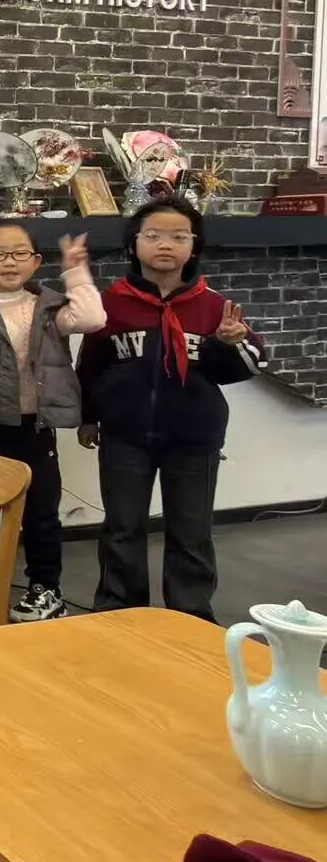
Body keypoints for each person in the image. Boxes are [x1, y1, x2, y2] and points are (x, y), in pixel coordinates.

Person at [76, 197, 264, 622]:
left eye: (179, 237)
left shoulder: (214, 305)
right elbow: (89, 366)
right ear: (134, 244)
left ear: (193, 247)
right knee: (122, 527)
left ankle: (190, 615)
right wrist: (88, 416)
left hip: (194, 439)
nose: (166, 245)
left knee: (191, 531)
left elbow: (248, 367)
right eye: (154, 236)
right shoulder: (111, 303)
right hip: (124, 436)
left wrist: (228, 344)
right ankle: (120, 612)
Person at [0, 221, 103, 623]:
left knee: (41, 512)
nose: (9, 262)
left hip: (34, 426)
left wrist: (76, 271)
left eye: (20, 253)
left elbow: (94, 319)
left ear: (36, 261)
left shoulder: (50, 308)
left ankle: (46, 589)